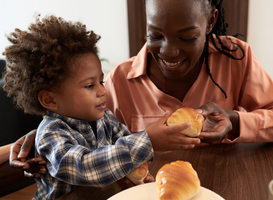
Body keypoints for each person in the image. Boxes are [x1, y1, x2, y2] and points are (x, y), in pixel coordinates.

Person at [10, 0, 273, 175]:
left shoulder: (237, 58)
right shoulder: (119, 81)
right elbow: (86, 142)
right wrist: (45, 133)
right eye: (155, 35)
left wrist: (237, 121)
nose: (169, 51)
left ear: (211, 21)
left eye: (187, 37)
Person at [3, 14, 200, 199]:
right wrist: (147, 141)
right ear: (50, 100)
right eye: (90, 86)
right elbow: (85, 167)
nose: (102, 91)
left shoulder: (104, 118)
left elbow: (123, 144)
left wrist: (132, 173)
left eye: (101, 81)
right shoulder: (50, 136)